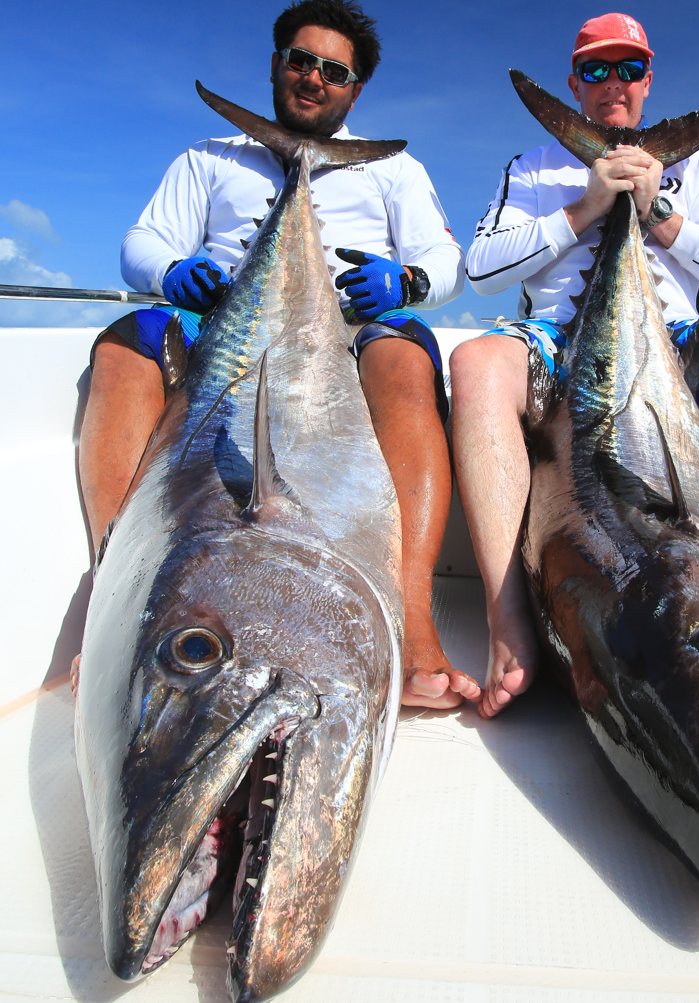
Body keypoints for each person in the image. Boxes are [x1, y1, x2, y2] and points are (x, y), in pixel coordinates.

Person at [76, 0, 481, 710]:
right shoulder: (209, 157)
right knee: (126, 345)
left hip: (347, 336)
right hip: (227, 329)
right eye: (301, 61)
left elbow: (445, 262)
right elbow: (141, 243)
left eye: (334, 71)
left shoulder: (393, 171)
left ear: (354, 90)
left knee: (405, 354)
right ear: (275, 65)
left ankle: (413, 618)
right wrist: (172, 273)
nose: (314, 78)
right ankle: (113, 598)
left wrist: (408, 282)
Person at [452, 12, 699, 718]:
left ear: (648, 79)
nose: (613, 84)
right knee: (479, 361)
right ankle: (507, 610)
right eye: (597, 70)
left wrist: (655, 208)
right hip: (557, 340)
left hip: (676, 338)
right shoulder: (532, 166)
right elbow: (480, 273)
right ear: (574, 83)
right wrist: (589, 205)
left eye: (627, 69)